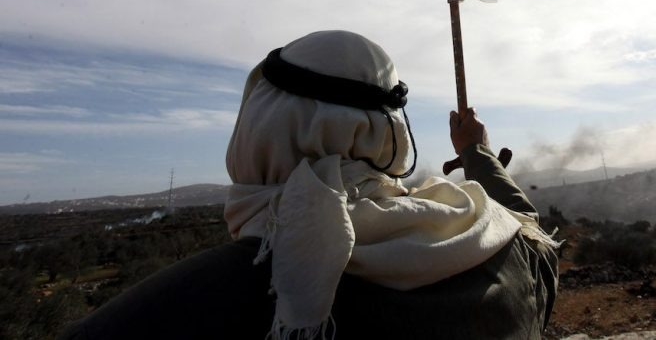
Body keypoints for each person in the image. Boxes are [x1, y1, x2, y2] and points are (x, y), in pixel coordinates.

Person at [60, 30, 558, 339]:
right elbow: (530, 231)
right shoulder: (489, 241)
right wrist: (477, 152)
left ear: (258, 126)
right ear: (392, 134)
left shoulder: (163, 315)